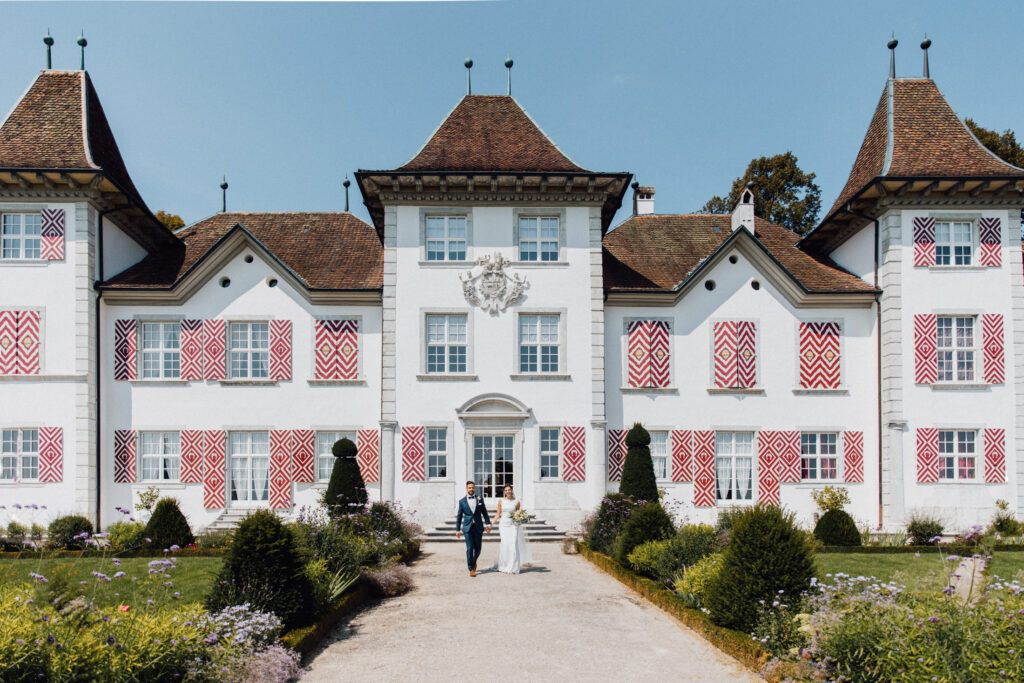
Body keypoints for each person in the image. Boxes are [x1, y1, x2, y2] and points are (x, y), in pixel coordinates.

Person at [491, 484, 532, 574]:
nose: (507, 491)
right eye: (506, 490)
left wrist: (520, 520)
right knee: (505, 544)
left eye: (509, 490)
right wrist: (491, 524)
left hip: (513, 525)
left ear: (512, 490)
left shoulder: (517, 502)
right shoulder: (501, 501)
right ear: (504, 492)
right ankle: (503, 566)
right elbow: (498, 514)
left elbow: (518, 513)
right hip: (503, 525)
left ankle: (513, 568)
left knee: (513, 544)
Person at [455, 480, 491, 576]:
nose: (471, 489)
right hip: (468, 528)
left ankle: (474, 560)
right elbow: (459, 516)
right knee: (470, 548)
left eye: (472, 487)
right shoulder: (462, 501)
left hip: (478, 527)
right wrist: (457, 529)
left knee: (478, 548)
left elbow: (485, 513)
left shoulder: (480, 499)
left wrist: (488, 524)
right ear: (467, 489)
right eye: (469, 487)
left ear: (474, 488)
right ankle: (471, 568)